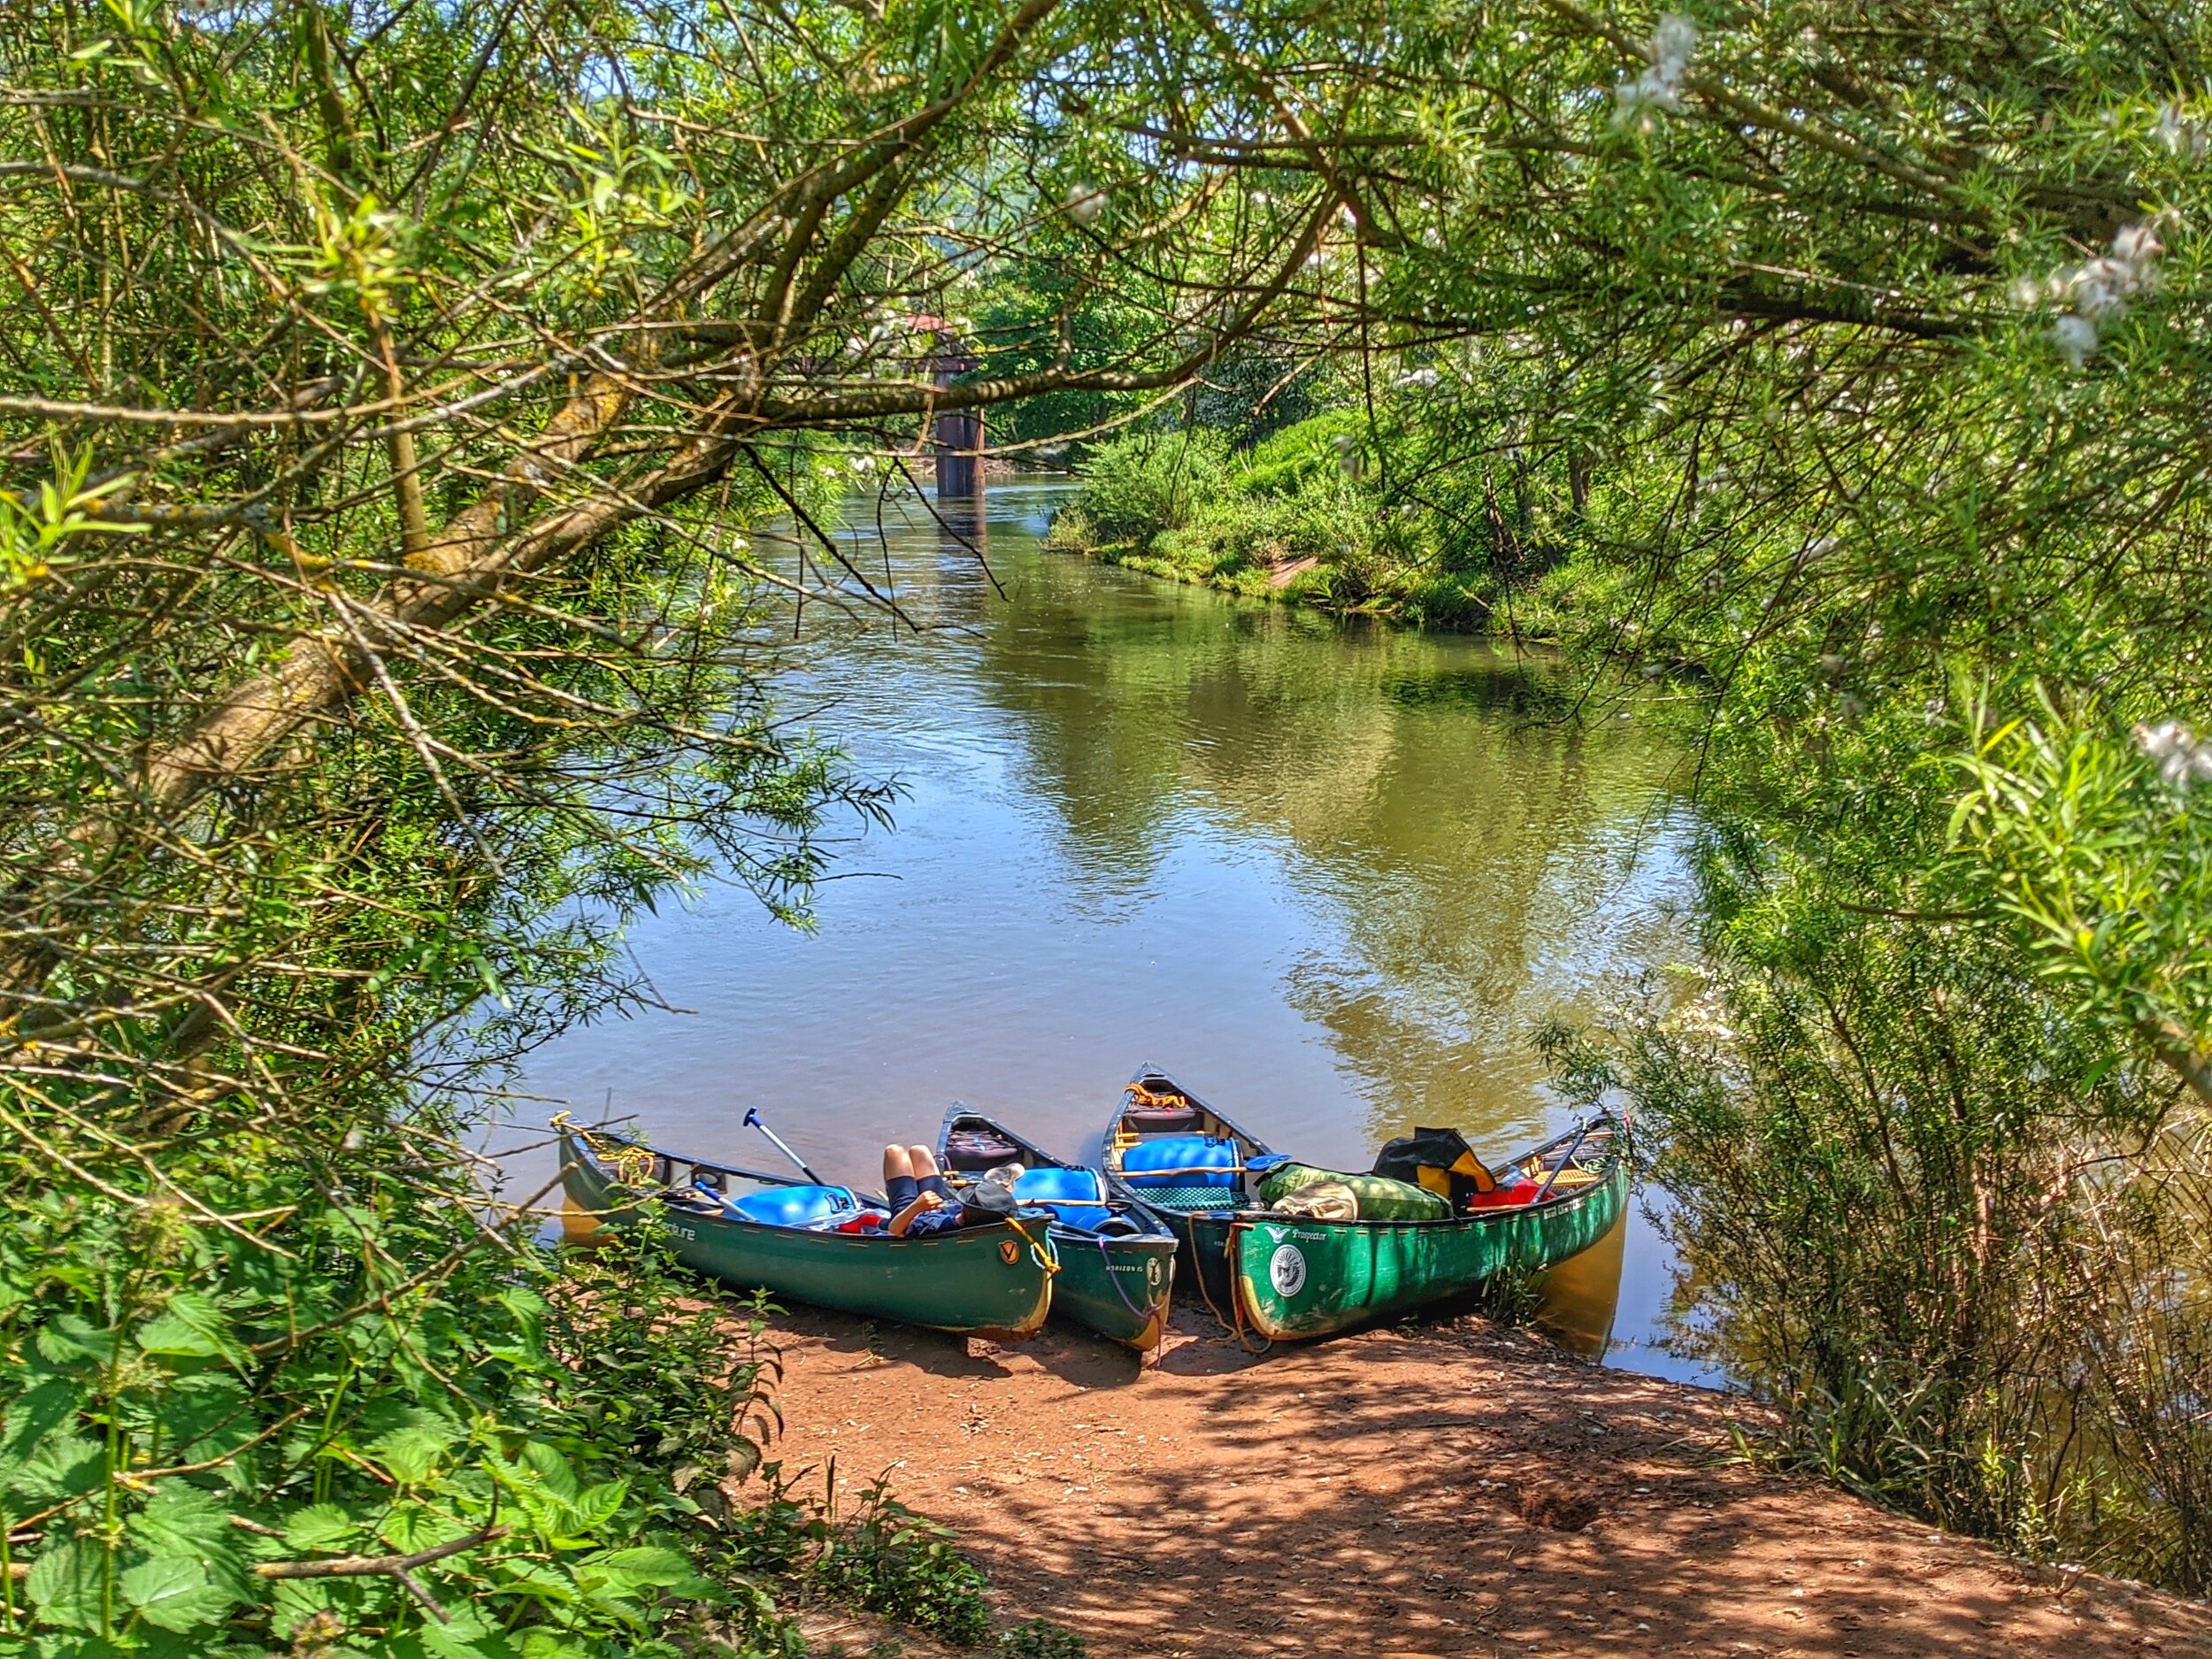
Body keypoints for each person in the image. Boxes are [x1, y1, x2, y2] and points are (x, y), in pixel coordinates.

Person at [880, 1143, 1020, 1236]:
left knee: (894, 1151)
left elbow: (895, 1230)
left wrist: (917, 1207)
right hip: (939, 1203)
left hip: (910, 1213)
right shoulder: (981, 1217)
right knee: (920, 1150)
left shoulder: (935, 1226)